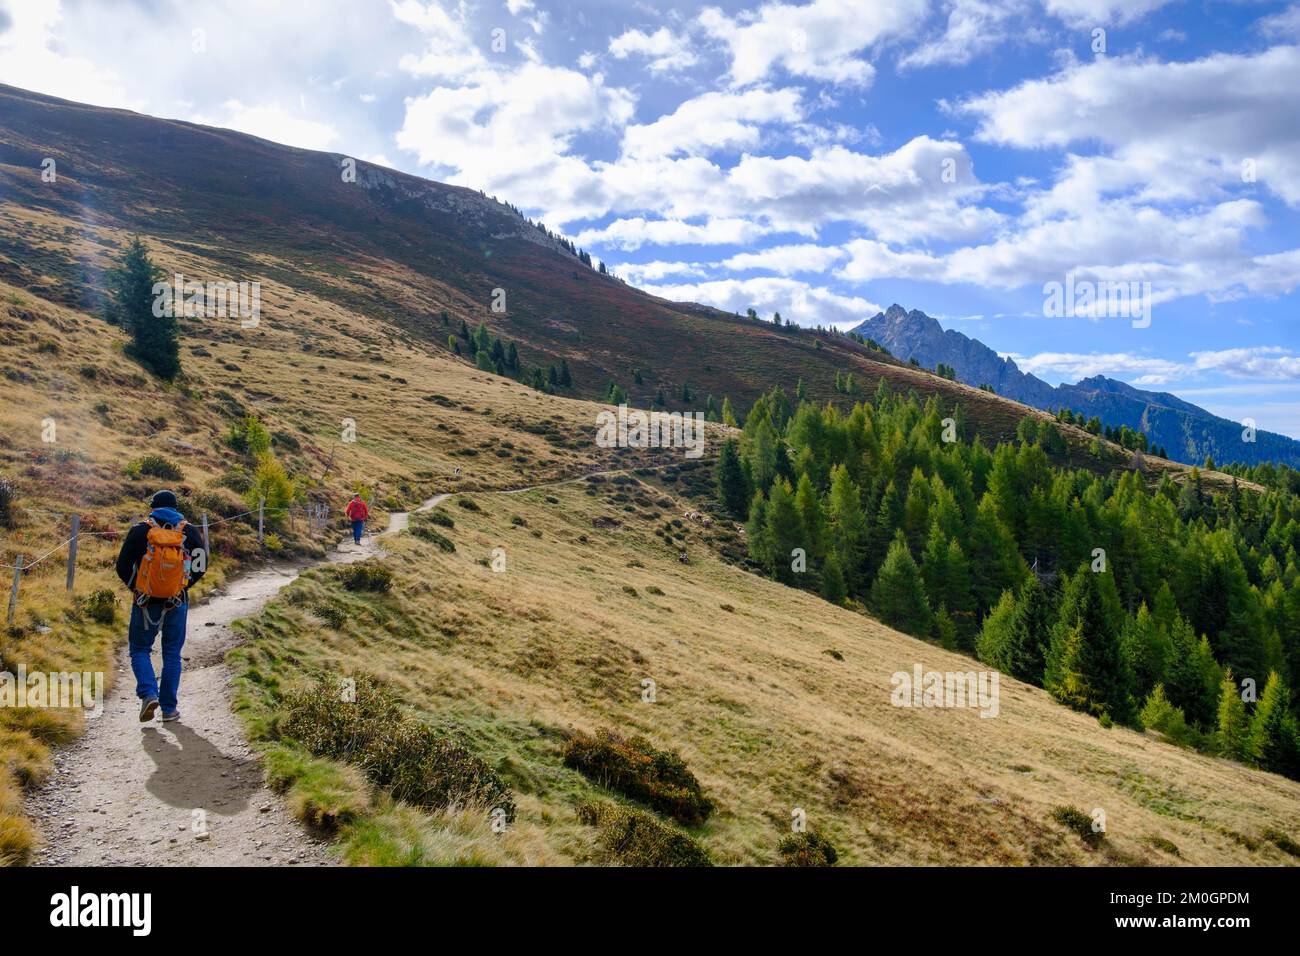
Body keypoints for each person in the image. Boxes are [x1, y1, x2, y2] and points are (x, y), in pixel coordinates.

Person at [114, 490, 206, 723]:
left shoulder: (140, 531)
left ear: (152, 507)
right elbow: (201, 564)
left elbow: (122, 566)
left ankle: (148, 693)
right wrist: (182, 586)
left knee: (140, 649)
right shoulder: (189, 531)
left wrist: (138, 589)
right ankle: (168, 709)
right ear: (176, 507)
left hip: (144, 602)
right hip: (176, 601)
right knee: (172, 654)